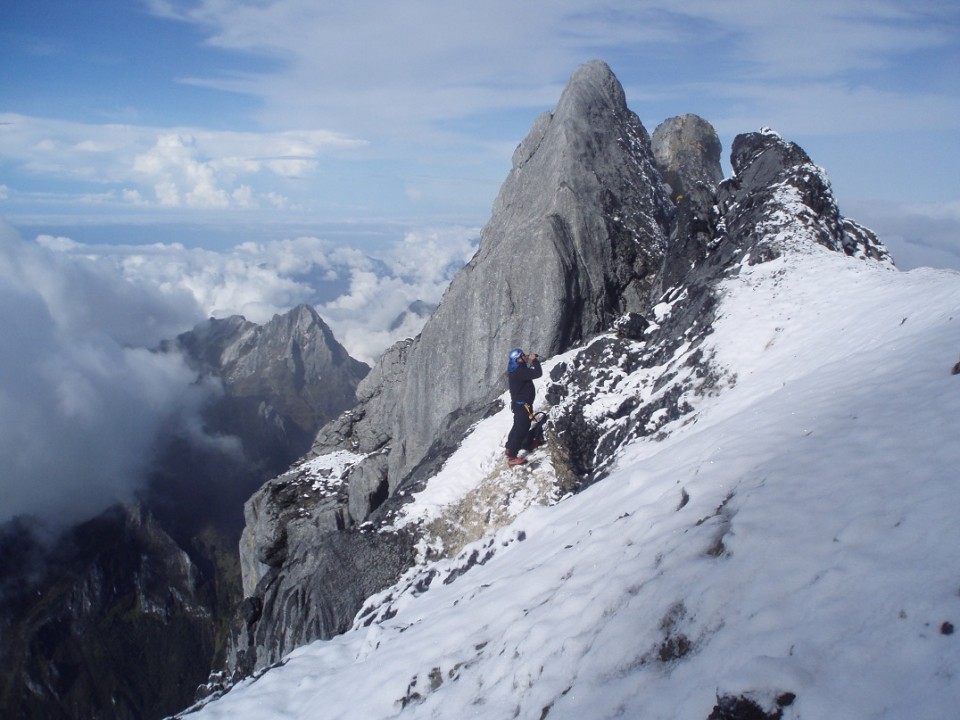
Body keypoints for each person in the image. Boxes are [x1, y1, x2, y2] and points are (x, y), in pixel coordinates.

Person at [505, 347, 543, 466]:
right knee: (521, 429)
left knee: (517, 426)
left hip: (519, 404)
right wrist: (534, 360)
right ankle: (512, 456)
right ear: (518, 359)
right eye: (522, 355)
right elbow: (538, 373)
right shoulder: (520, 371)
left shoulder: (516, 369)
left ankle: (509, 447)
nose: (525, 356)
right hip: (523, 406)